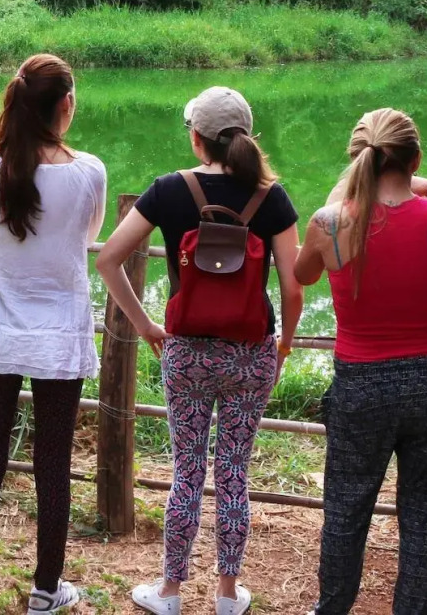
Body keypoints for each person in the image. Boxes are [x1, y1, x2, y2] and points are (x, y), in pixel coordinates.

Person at [97, 87, 302, 615]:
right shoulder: (271, 197)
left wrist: (145, 326)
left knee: (187, 471)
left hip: (186, 353)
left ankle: (169, 593)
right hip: (248, 355)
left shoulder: (168, 190)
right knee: (234, 470)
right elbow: (295, 287)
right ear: (246, 139)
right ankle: (228, 595)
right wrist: (281, 346)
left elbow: (109, 260)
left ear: (196, 138)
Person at [295, 109, 427, 615]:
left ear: (356, 160)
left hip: (360, 388)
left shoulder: (329, 222)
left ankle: (333, 608)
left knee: (345, 511)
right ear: (415, 159)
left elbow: (303, 274)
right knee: (425, 520)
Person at [0, 54, 107, 615]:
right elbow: (87, 236)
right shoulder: (88, 170)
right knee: (53, 465)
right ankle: (47, 590)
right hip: (59, 338)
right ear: (64, 104)